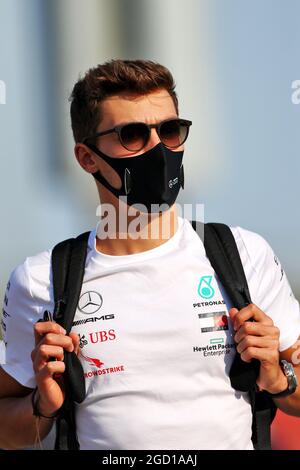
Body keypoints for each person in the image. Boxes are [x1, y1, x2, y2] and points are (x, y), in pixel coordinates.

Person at [0, 59, 300, 450]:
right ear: (87, 158)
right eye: (134, 135)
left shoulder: (245, 254)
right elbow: (7, 429)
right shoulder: (42, 278)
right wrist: (43, 405)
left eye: (171, 131)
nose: (159, 149)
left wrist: (278, 377)